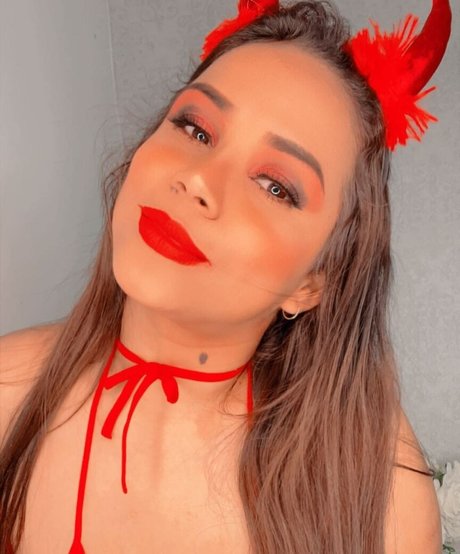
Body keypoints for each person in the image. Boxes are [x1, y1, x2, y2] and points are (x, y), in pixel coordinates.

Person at [0, 0, 452, 552]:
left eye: (275, 186)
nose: (198, 180)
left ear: (313, 282)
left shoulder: (383, 496)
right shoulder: (7, 392)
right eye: (195, 129)